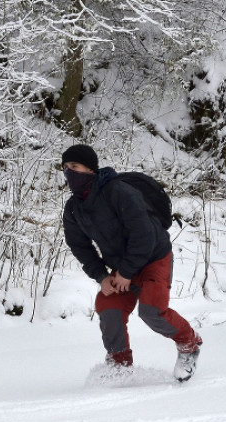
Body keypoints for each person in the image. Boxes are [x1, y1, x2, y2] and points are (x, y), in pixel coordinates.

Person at [60, 144, 202, 382]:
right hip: (123, 264)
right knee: (108, 306)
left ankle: (190, 344)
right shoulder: (74, 209)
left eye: (74, 166)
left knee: (152, 311)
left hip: (153, 256)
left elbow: (143, 236)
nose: (69, 173)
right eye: (65, 168)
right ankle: (119, 365)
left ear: (90, 168)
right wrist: (101, 277)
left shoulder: (119, 192)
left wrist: (125, 273)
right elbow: (79, 246)